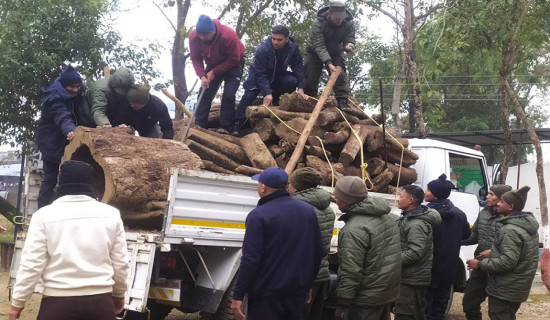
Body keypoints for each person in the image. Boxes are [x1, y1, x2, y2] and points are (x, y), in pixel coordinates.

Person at [9, 160, 129, 320]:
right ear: (90, 182)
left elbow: (32, 264)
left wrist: (18, 302)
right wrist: (119, 293)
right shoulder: (111, 214)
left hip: (57, 305)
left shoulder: (43, 216)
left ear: (61, 181)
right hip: (101, 304)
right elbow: (120, 262)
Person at [231, 167, 323, 320]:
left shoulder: (258, 216)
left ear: (263, 187)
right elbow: (316, 252)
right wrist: (308, 284)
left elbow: (251, 259)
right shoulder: (307, 211)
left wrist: (238, 295)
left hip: (266, 296)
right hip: (296, 293)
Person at [332, 176, 401, 320]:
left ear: (345, 199)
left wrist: (343, 303)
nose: (335, 198)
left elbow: (351, 271)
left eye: (337, 195)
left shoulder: (354, 229)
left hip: (365, 300)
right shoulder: (389, 217)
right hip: (385, 292)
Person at [466, 186, 539, 320]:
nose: (487, 196)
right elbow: (515, 251)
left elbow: (508, 260)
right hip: (499, 274)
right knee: (472, 303)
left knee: (500, 313)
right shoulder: (519, 224)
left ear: (509, 205)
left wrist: (483, 262)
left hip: (503, 278)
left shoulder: (511, 227)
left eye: (491, 194)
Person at [233, 25, 308, 136]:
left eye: (279, 40)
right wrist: (267, 93)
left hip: (277, 75)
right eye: (273, 39)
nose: (275, 42)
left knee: (292, 81)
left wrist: (301, 87)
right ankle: (237, 123)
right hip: (258, 75)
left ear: (287, 39)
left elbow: (298, 67)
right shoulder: (263, 49)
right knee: (249, 94)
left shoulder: (293, 48)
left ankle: (277, 108)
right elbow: (260, 74)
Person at [288, 168, 336, 320]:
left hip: (299, 278)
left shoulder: (295, 209)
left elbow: (299, 250)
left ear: (296, 187)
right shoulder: (328, 209)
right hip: (320, 275)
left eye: (290, 183)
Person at [36, 65, 85, 208]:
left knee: (68, 179)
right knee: (50, 178)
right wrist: (71, 131)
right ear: (64, 85)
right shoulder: (53, 98)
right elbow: (62, 116)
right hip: (51, 143)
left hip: (66, 142)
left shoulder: (76, 94)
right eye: (72, 87)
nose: (76, 90)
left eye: (78, 86)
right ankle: (41, 212)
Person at [423, 174, 471, 320]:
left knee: (425, 309)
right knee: (440, 309)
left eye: (428, 189)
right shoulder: (460, 214)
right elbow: (465, 235)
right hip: (449, 269)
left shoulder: (425, 214)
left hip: (429, 268)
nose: (425, 192)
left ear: (436, 195)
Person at [461, 184, 512, 320]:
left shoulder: (511, 217)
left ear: (502, 198)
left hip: (500, 269)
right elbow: (474, 236)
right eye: (487, 193)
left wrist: (493, 251)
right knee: (469, 302)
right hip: (480, 265)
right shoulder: (484, 212)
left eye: (491, 194)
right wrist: (456, 239)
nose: (487, 196)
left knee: (498, 311)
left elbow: (514, 247)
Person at [189, 15, 245, 134]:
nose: (202, 37)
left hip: (234, 62)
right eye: (200, 34)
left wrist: (214, 72)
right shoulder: (194, 37)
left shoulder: (228, 35)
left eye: (206, 34)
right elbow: (196, 58)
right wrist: (202, 75)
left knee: (229, 94)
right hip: (213, 63)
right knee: (205, 91)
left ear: (213, 31)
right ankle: (199, 124)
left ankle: (225, 127)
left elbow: (234, 58)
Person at [395, 185, 441, 320]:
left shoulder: (416, 224)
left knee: (406, 314)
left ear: (410, 201)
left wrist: (391, 259)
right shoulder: (408, 219)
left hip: (412, 280)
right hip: (410, 278)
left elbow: (415, 252)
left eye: (401, 196)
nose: (398, 199)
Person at [304, 1, 355, 112]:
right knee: (310, 77)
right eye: (337, 18)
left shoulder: (348, 23)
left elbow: (350, 38)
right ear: (329, 14)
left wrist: (349, 45)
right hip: (314, 51)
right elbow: (319, 46)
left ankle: (342, 101)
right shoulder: (318, 23)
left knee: (340, 75)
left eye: (342, 18)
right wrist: (328, 63)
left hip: (335, 51)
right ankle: (309, 101)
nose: (340, 20)